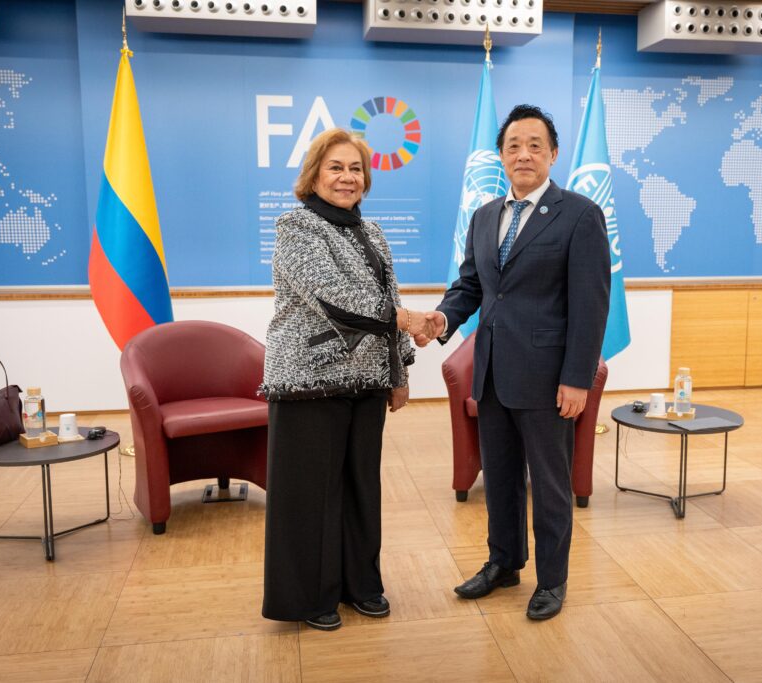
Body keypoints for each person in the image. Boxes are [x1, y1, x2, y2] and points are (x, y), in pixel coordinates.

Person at [417, 105, 610, 620]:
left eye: (534, 145)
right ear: (501, 155)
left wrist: (577, 379)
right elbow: (471, 287)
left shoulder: (580, 215)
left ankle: (552, 580)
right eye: (513, 146)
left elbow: (591, 306)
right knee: (500, 480)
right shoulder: (485, 216)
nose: (523, 154)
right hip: (492, 374)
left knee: (549, 486)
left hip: (548, 380)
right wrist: (442, 319)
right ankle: (503, 563)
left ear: (553, 154)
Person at [261, 127, 432, 631]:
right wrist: (408, 321)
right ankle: (310, 598)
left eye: (355, 168)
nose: (347, 177)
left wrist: (399, 370)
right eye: (335, 167)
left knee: (361, 489)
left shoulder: (372, 232)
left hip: (367, 383)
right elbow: (339, 302)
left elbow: (388, 297)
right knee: (310, 496)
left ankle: (362, 585)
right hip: (308, 381)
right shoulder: (296, 228)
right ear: (314, 175)